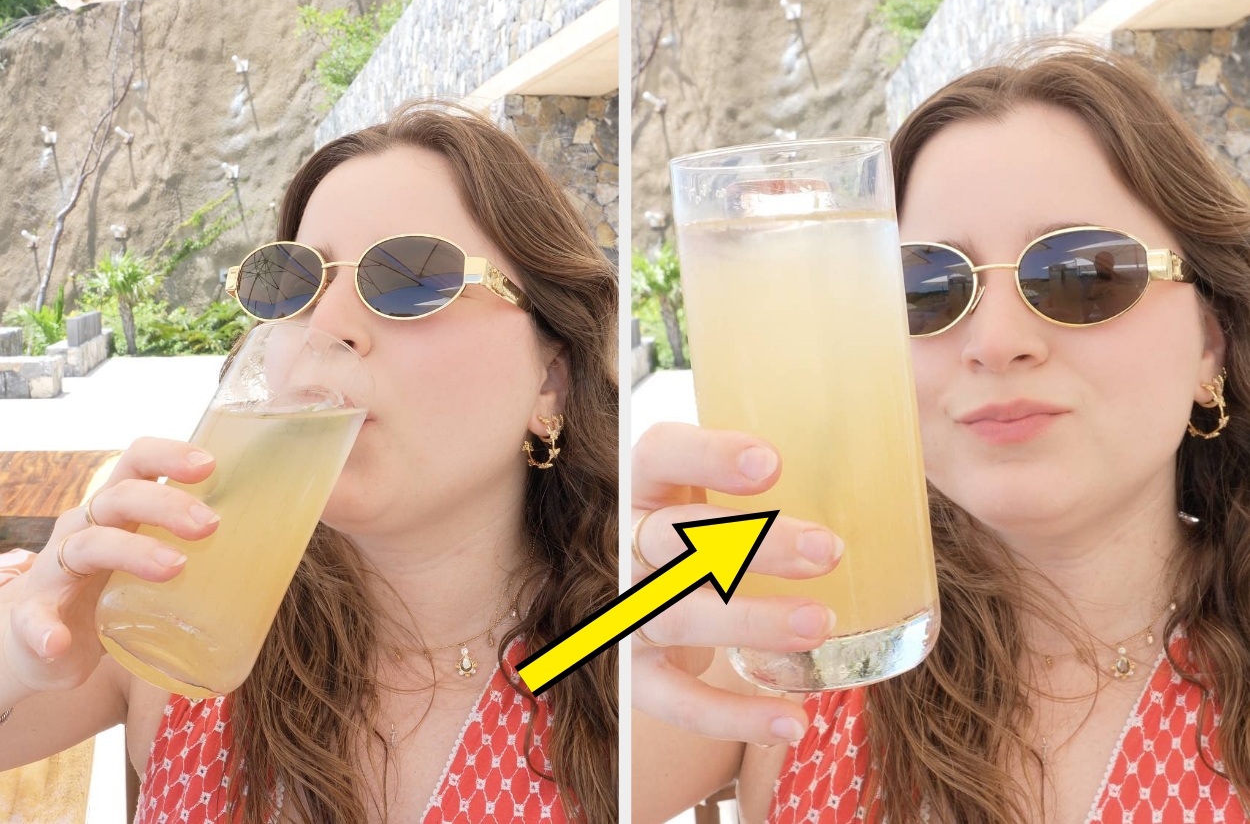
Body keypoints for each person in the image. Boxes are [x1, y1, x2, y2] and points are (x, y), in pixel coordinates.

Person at [631, 40, 1250, 824]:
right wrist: (614, 640)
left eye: (1084, 272)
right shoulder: (805, 635)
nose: (995, 341)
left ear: (1210, 343)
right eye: (925, 286)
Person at [0, 99, 618, 823]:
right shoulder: (172, 610)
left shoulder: (629, 648)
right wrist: (16, 652)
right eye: (295, 283)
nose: (326, 326)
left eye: (410, 278)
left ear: (552, 379)